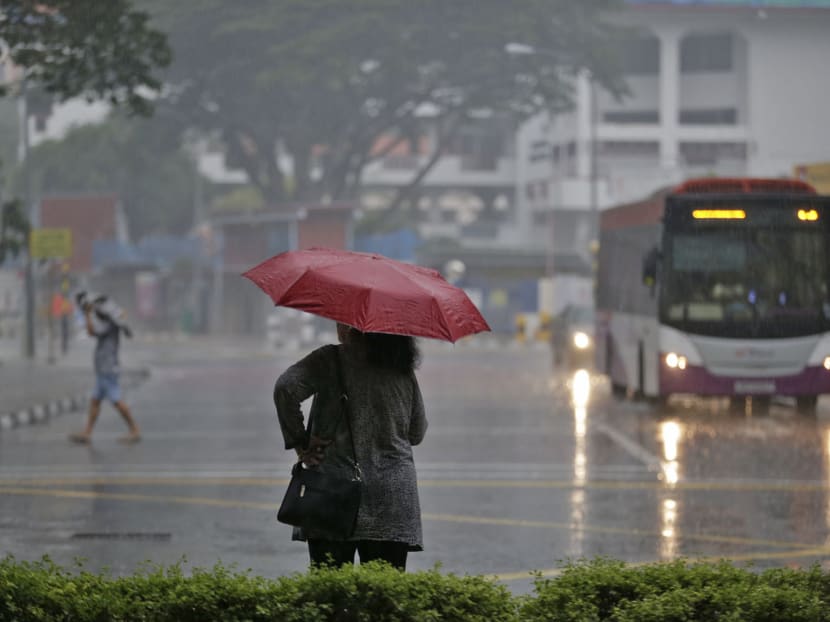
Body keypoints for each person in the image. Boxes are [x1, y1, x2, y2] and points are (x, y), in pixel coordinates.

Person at [273, 322, 427, 570]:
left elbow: (285, 388)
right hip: (392, 499)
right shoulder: (401, 367)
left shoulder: (330, 360)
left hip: (332, 492)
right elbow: (416, 432)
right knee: (383, 599)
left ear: (352, 326)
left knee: (330, 596)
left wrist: (301, 443)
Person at [69, 295, 141, 444]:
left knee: (117, 401)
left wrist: (87, 314)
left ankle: (134, 430)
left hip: (108, 369)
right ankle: (87, 433)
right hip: (103, 369)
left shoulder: (109, 325)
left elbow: (91, 331)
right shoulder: (109, 323)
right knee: (95, 401)